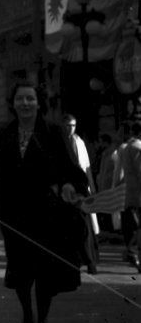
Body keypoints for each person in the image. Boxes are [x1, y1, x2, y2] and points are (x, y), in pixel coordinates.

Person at [0, 80, 88, 323]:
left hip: (46, 214)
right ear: (13, 103)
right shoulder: (4, 132)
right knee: (20, 271)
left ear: (39, 103)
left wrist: (68, 185)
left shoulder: (53, 132)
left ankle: (41, 321)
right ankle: (27, 315)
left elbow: (71, 168)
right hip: (13, 214)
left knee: (44, 271)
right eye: (20, 99)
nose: (25, 103)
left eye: (30, 99)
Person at [62, 114, 99, 274]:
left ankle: (90, 261)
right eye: (68, 125)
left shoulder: (79, 142)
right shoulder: (60, 142)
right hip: (65, 191)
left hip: (81, 191)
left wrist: (91, 189)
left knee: (84, 227)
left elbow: (86, 168)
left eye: (73, 125)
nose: (71, 128)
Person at [118, 120, 141, 272]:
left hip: (131, 193)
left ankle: (132, 251)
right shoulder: (138, 148)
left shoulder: (126, 147)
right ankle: (132, 252)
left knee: (136, 226)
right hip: (139, 193)